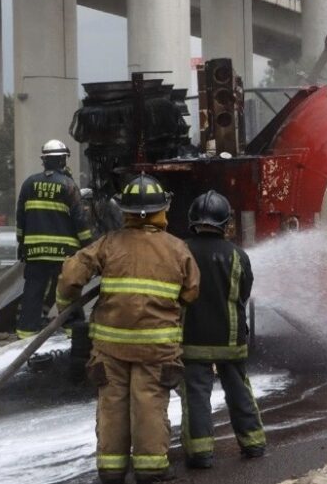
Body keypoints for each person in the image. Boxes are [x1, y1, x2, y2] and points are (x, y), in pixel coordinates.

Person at [57, 173, 200, 484]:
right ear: (162, 210)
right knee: (149, 401)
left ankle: (111, 469)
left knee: (112, 404)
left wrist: (63, 303)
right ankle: (150, 468)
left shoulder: (108, 244)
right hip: (157, 346)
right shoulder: (177, 249)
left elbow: (71, 276)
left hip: (110, 346)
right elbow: (191, 292)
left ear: (126, 212)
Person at [180, 191, 266, 468]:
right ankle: (253, 444)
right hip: (232, 339)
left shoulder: (180, 251)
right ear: (225, 222)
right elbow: (244, 294)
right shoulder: (238, 256)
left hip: (191, 339)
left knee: (196, 396)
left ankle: (201, 453)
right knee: (239, 391)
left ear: (193, 219)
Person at [15, 139, 94, 338]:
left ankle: (25, 332)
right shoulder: (68, 186)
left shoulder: (28, 184)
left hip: (34, 251)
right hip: (63, 253)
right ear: (62, 160)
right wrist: (89, 247)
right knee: (68, 289)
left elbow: (20, 218)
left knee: (33, 291)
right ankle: (73, 330)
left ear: (44, 161)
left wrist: (21, 244)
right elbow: (80, 221)